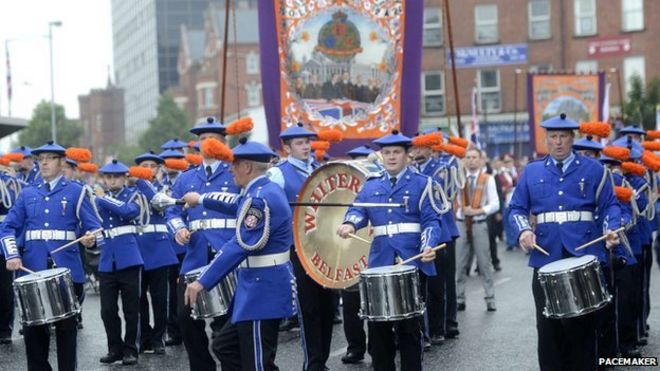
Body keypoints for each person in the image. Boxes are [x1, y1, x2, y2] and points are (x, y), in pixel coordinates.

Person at [508, 113, 621, 370]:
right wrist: (524, 231)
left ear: (572, 139)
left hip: (584, 253)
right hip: (546, 254)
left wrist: (612, 229)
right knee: (548, 328)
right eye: (553, 137)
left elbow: (610, 207)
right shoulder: (532, 170)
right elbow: (515, 209)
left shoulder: (594, 169)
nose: (558, 142)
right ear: (546, 140)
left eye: (563, 137)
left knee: (583, 327)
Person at [183, 138, 295, 371]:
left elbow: (240, 245)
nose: (230, 169)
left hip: (262, 290)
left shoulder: (260, 197)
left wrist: (202, 282)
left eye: (234, 164)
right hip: (254, 289)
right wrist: (201, 198)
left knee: (257, 364)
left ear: (247, 167)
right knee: (225, 346)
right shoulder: (260, 191)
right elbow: (235, 203)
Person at [337, 130, 441, 371]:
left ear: (407, 155)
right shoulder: (371, 185)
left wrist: (428, 246)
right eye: (387, 153)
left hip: (413, 260)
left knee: (410, 328)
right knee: (378, 327)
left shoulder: (422, 183)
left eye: (396, 152)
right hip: (380, 263)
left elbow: (431, 221)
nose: (391, 157)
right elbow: (358, 211)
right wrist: (349, 223)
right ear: (381, 156)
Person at [1, 141, 101, 371]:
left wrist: (91, 238)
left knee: (67, 331)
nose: (43, 163)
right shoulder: (27, 193)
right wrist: (12, 255)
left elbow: (95, 228)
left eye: (49, 158)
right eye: (40, 159)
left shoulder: (77, 191)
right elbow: (7, 228)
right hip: (32, 269)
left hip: (67, 270)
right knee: (34, 332)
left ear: (62, 162)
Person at [166, 117, 240, 371]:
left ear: (223, 142)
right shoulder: (186, 178)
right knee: (186, 317)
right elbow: (172, 211)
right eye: (202, 138)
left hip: (228, 253)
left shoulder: (234, 172)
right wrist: (179, 229)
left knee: (229, 319)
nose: (207, 142)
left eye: (213, 138)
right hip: (195, 255)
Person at [267, 122, 335, 371]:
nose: (306, 146)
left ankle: (322, 360)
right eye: (299, 143)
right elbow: (272, 209)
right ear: (286, 148)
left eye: (307, 141)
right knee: (309, 308)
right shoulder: (278, 173)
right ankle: (313, 363)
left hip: (325, 248)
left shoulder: (319, 170)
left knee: (328, 306)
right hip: (298, 250)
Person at [95, 159, 144, 365]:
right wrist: (90, 241)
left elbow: (128, 211)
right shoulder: (97, 201)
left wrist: (104, 198)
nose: (112, 180)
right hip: (107, 260)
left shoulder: (134, 195)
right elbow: (97, 229)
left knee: (131, 309)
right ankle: (114, 348)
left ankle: (130, 349)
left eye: (116, 176)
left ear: (124, 178)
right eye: (108, 177)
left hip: (129, 259)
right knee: (107, 310)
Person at [410, 131, 455, 346]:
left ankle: (440, 327)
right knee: (419, 286)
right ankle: (422, 330)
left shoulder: (442, 170)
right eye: (414, 148)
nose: (416, 152)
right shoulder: (409, 171)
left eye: (420, 148)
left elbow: (446, 197)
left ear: (430, 149)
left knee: (438, 284)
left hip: (439, 231)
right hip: (413, 233)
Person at [133, 152, 179, 354]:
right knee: (138, 297)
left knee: (161, 298)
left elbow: (163, 204)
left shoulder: (165, 189)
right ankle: (144, 336)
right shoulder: (131, 191)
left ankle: (159, 336)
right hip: (137, 248)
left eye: (153, 165)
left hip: (160, 249)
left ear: (160, 169)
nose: (149, 168)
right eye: (145, 165)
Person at [456, 147, 499, 312]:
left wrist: (478, 211)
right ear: (464, 160)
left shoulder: (487, 178)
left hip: (479, 223)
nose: (471, 160)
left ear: (481, 160)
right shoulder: (458, 178)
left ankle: (490, 298)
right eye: (468, 157)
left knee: (484, 263)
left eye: (474, 157)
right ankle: (459, 298)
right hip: (460, 222)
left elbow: (495, 203)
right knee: (459, 264)